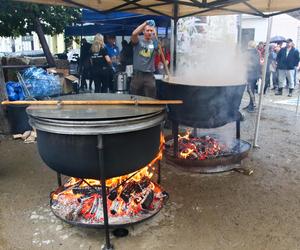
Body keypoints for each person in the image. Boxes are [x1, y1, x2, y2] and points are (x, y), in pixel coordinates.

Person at [130, 20, 158, 98]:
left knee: (151, 97)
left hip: (149, 75)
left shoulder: (154, 42)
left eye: (151, 31)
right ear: (143, 31)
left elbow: (158, 48)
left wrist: (154, 31)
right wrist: (145, 23)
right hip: (138, 74)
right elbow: (134, 33)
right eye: (147, 30)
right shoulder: (138, 41)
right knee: (134, 96)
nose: (149, 32)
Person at [243, 40, 261, 113]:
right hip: (251, 74)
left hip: (252, 74)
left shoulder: (253, 52)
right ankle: (250, 104)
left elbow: (254, 64)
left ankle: (253, 105)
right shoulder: (254, 52)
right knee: (250, 90)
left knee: (250, 90)